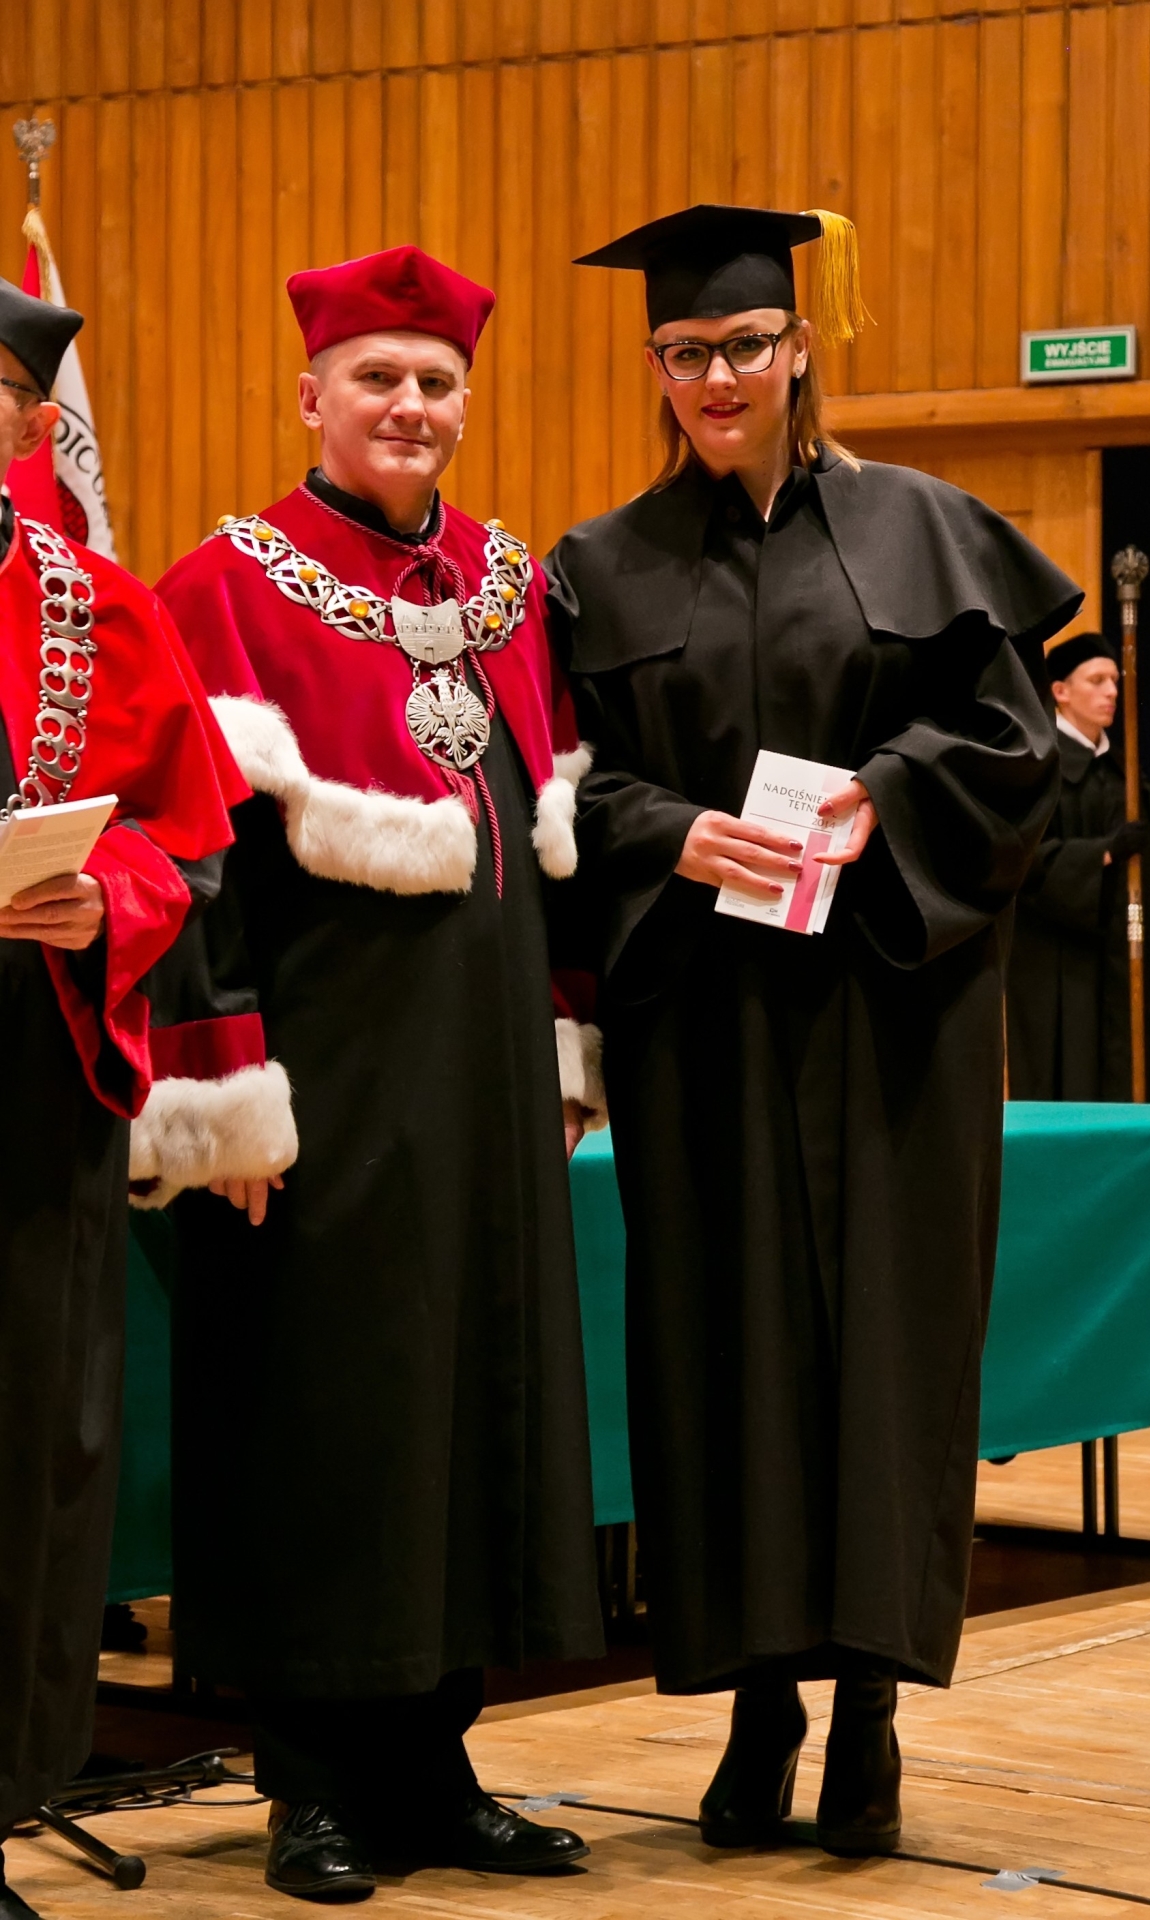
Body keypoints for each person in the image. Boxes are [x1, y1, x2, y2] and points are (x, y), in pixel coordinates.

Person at [545, 204, 1081, 1859]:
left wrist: (885, 794)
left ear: (799, 349)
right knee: (722, 1348)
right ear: (657, 368)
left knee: (887, 1348)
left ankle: (869, 1715)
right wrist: (673, 834)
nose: (717, 378)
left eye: (744, 346)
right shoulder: (600, 568)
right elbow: (562, 790)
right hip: (703, 1016)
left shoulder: (928, 525)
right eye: (684, 353)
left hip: (892, 1011)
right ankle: (757, 1701)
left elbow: (1017, 749)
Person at [150, 246, 604, 1902]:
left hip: (482, 1075)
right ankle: (313, 1785)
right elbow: (190, 862)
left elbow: (550, 831)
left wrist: (567, 1038)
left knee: (469, 1404)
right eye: (378, 380)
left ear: (465, 404)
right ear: (312, 397)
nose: (409, 406)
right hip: (322, 1080)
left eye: (435, 383)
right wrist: (227, 1094)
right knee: (324, 1417)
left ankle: (434, 1765)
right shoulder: (226, 584)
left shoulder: (509, 580)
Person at [0, 278, 247, 1920]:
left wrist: (113, 901)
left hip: (31, 1086)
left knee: (32, 1452)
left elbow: (189, 844)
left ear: (30, 423)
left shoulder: (95, 604)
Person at [1006, 631, 1150, 1100]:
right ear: (1060, 691)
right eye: (1097, 680)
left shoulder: (1125, 771)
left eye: (1115, 681)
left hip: (1119, 953)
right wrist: (1101, 853)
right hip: (1056, 961)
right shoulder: (1038, 766)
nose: (1112, 692)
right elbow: (1020, 859)